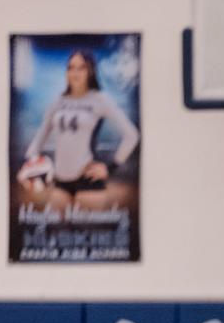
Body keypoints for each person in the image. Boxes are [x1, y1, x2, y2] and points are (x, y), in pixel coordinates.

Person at [21, 49, 139, 209]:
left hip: (88, 179)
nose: (75, 72)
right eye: (70, 67)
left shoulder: (99, 99)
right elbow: (40, 136)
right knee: (55, 232)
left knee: (90, 232)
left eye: (81, 67)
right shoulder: (59, 101)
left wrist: (111, 167)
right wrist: (29, 165)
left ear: (90, 71)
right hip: (59, 180)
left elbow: (131, 135)